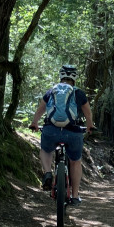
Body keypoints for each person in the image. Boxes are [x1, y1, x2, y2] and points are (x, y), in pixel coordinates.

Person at [30, 64, 94, 204]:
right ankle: (75, 196)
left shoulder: (51, 91)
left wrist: (34, 123)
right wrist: (90, 126)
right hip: (73, 133)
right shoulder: (78, 93)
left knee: (46, 150)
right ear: (74, 78)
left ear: (61, 76)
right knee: (75, 161)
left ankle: (48, 172)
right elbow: (87, 113)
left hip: (51, 131)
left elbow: (41, 110)